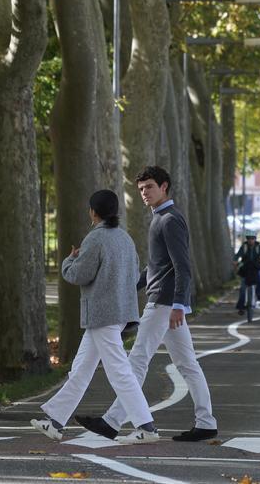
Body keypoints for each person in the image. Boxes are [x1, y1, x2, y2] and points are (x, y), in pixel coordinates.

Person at [75, 166, 218, 443]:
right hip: (165, 301)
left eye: (149, 187)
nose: (144, 193)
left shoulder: (169, 220)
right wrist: (127, 287)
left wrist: (179, 304)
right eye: (141, 189)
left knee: (137, 361)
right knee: (187, 364)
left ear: (164, 186)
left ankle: (112, 421)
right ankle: (206, 422)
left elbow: (183, 267)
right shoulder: (161, 218)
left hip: (163, 303)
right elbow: (156, 268)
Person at [30, 190, 157, 444]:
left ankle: (147, 426)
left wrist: (69, 260)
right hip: (119, 313)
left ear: (93, 212)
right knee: (81, 369)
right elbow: (134, 278)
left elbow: (79, 275)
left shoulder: (95, 239)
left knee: (119, 371)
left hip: (102, 315)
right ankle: (55, 422)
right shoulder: (125, 239)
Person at [233, 230, 260, 314]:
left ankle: (259, 292)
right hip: (245, 266)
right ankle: (241, 307)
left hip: (256, 266)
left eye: (252, 238)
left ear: (255, 239)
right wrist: (235, 260)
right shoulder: (244, 246)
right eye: (249, 238)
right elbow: (238, 255)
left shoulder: (258, 247)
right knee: (242, 288)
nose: (251, 240)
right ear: (247, 239)